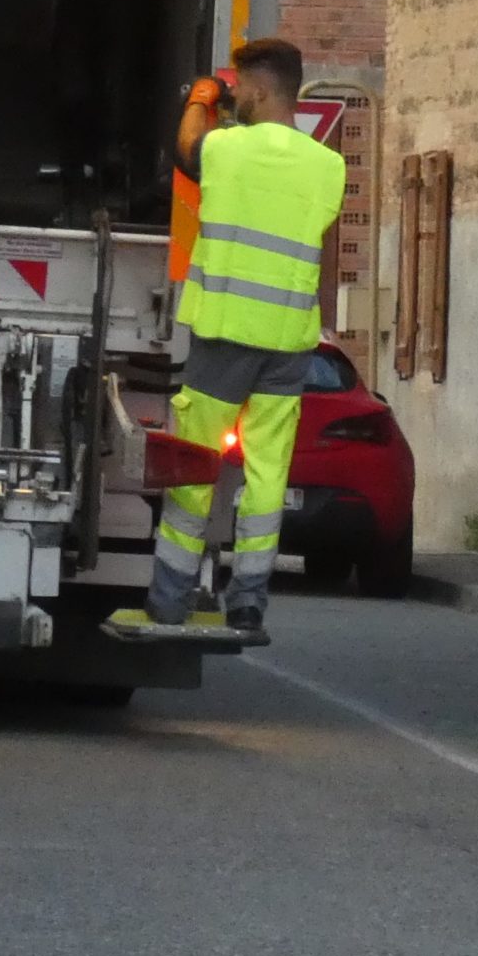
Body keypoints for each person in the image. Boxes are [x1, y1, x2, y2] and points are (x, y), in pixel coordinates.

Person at [110, 37, 345, 645]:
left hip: (224, 336)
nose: (235, 95)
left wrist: (200, 96)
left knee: (196, 463)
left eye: (240, 87)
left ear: (261, 91)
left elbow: (185, 146)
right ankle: (247, 605)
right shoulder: (329, 165)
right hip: (289, 344)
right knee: (267, 475)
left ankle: (170, 599)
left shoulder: (229, 149)